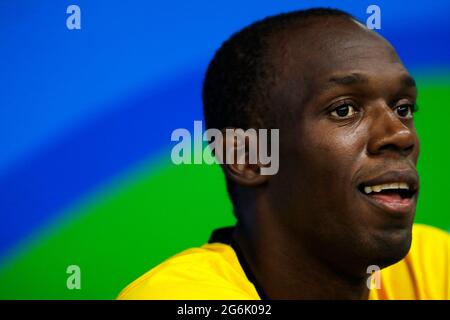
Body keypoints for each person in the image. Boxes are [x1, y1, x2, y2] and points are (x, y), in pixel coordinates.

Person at [118, 8, 450, 300]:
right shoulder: (177, 296)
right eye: (345, 109)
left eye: (403, 108)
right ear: (248, 156)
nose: (401, 134)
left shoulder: (432, 264)